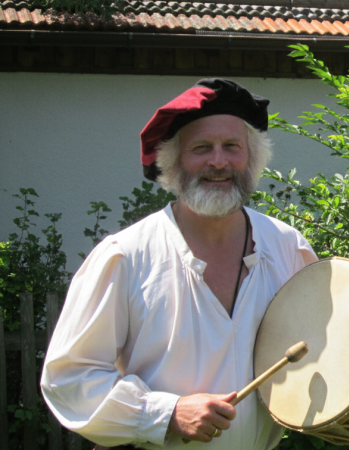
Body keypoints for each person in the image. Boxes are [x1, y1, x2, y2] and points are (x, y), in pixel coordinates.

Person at [40, 79, 319, 449]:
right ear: (173, 162)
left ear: (251, 157)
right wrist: (165, 413)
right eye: (201, 148)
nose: (218, 161)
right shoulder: (126, 256)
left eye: (232, 146)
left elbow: (321, 350)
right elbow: (69, 379)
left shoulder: (287, 247)